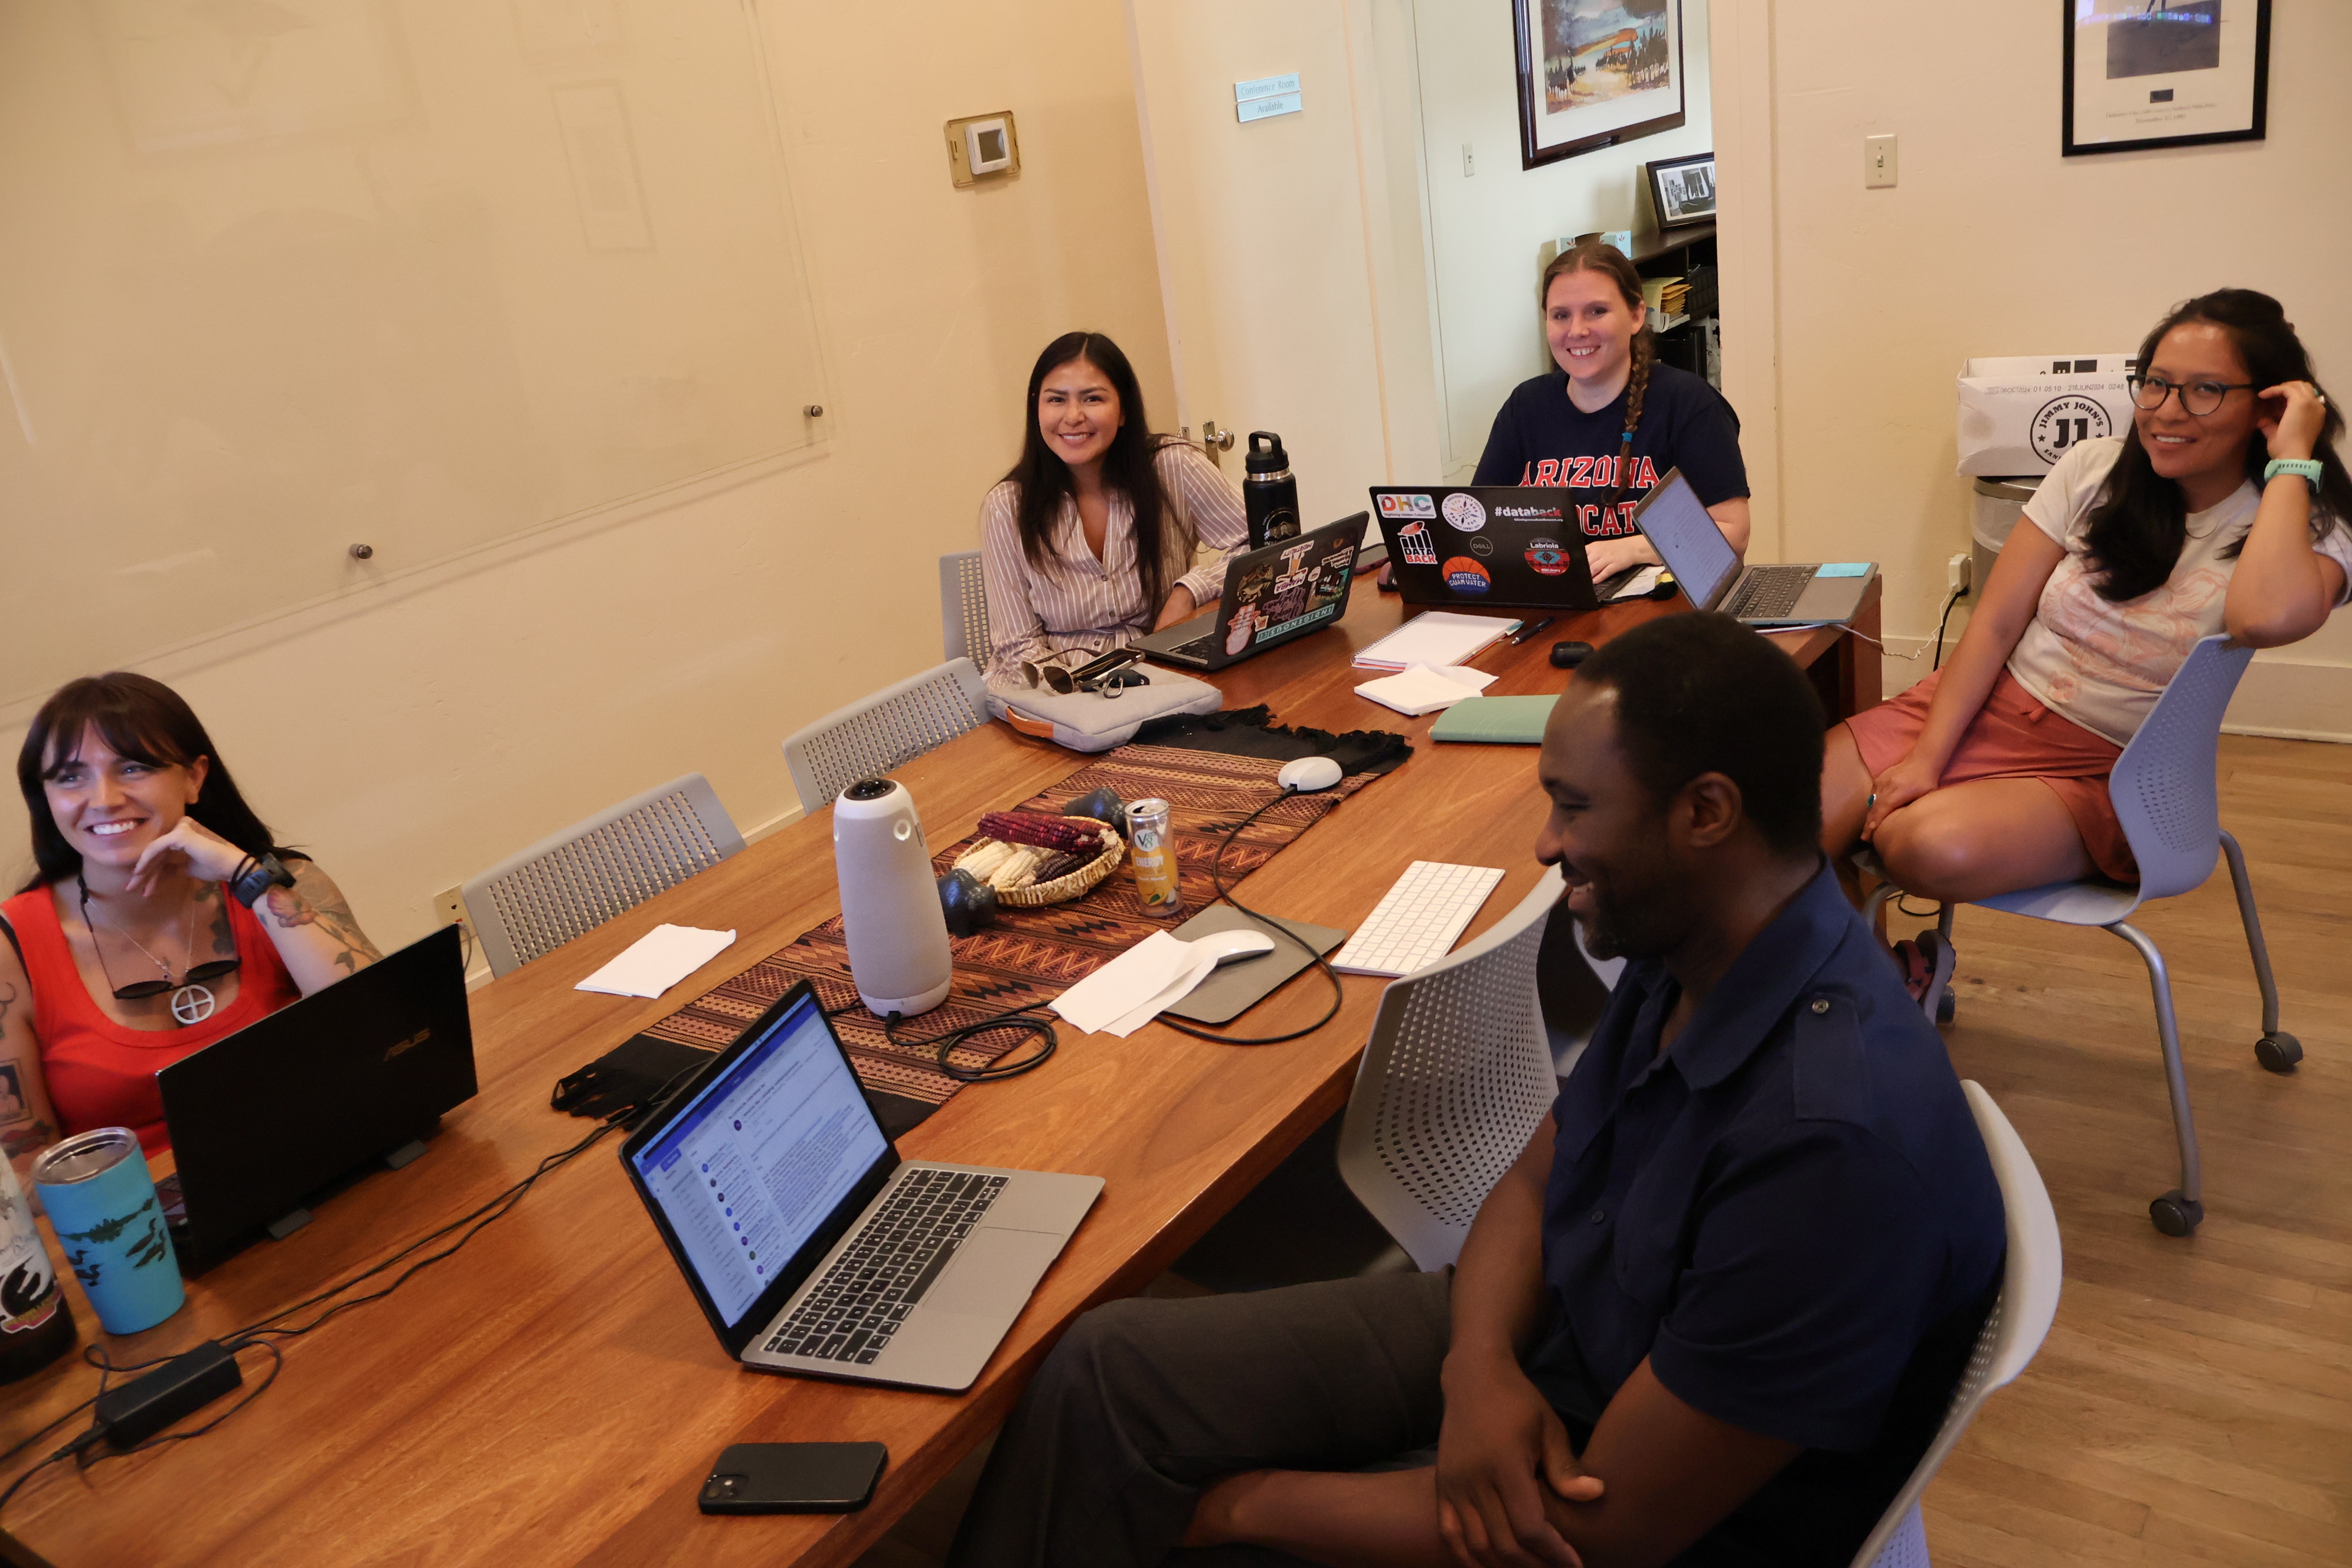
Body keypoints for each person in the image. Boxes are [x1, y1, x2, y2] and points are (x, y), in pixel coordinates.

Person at [948, 613, 2005, 1568]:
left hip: (1614, 1503)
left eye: (1573, 807)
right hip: (1551, 1345)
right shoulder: (1705, 938)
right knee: (1104, 1365)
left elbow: (1602, 1529)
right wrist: (1479, 1366)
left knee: (1198, 1523)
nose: (1547, 844)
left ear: (1705, 814)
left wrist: (1242, 1508)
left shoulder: (1827, 1146)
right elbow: (1541, 1166)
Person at [1825, 289, 2352, 916]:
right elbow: (1994, 625)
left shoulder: (2308, 530)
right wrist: (1926, 759)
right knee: (1778, 818)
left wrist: (2291, 461)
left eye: (2204, 390)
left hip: (2111, 767)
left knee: (1920, 846)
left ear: (2267, 404)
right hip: (1984, 704)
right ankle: (1874, 984)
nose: (2165, 411)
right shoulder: (2093, 469)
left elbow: (2261, 618)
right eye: (2154, 383)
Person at [0, 674, 384, 1165]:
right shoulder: (12, 948)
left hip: (323, 1166)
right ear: (46, 797)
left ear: (194, 777)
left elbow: (386, 1032)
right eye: (70, 777)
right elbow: (26, 1170)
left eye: (134, 767)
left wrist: (244, 874)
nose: (104, 798)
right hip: (145, 1223)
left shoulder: (280, 883)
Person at [978, 331, 1250, 684]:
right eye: (1057, 400)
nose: (1073, 416)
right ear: (1036, 408)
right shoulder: (1006, 507)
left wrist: (1190, 591)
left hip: (1159, 673)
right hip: (1052, 692)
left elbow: (1260, 544)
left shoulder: (1173, 466)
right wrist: (1083, 696)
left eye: (1092, 399)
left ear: (1123, 410)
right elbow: (1018, 650)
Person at [1474, 240, 1751, 583]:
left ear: (1637, 315)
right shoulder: (1525, 407)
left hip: (1662, 612)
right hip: (1559, 603)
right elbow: (1479, 525)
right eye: (1561, 315)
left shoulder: (1689, 404)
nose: (1577, 330)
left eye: (1596, 311)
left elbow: (1733, 534)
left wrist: (1631, 549)